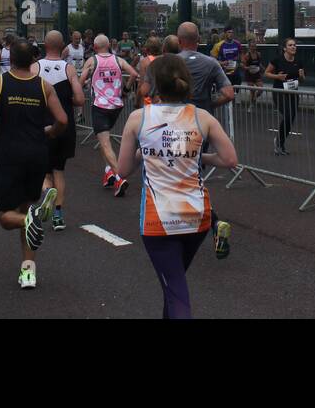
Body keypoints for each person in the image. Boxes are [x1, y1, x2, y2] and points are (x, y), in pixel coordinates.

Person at [116, 54, 238, 318]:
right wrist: (198, 156)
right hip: (196, 217)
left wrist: (145, 152)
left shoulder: (139, 118)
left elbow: (122, 170)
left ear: (154, 84)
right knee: (172, 284)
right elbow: (230, 159)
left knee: (175, 291)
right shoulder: (202, 116)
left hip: (158, 220)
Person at [0, 39, 66, 289]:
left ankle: (28, 219)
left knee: (7, 216)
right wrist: (49, 132)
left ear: (10, 58)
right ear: (32, 60)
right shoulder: (44, 86)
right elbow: (62, 119)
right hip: (37, 152)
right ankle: (28, 271)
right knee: (26, 207)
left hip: (9, 153)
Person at [81, 35, 139, 196]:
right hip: (116, 105)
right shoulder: (118, 60)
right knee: (103, 140)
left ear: (94, 46)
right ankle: (108, 172)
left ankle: (119, 178)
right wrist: (125, 91)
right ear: (108, 46)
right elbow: (134, 74)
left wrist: (82, 86)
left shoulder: (92, 61)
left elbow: (80, 81)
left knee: (105, 144)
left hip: (100, 106)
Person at [39, 31, 83, 231]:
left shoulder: (35, 67)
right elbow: (80, 99)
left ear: (44, 45)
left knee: (43, 171)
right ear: (62, 46)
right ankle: (58, 215)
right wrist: (67, 101)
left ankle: (47, 192)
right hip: (65, 125)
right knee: (59, 170)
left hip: (43, 125)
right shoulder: (69, 68)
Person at [177, 22, 235, 115]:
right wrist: (211, 105)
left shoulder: (169, 63)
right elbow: (229, 94)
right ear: (198, 39)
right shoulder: (211, 63)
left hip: (178, 118)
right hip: (203, 117)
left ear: (179, 41)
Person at [265, 38, 308, 156]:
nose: (293, 47)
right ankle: (279, 142)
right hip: (279, 92)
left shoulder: (299, 61)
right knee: (288, 115)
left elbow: (302, 80)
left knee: (291, 119)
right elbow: (267, 73)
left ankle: (280, 142)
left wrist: (302, 76)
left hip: (293, 93)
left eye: (294, 45)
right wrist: (277, 77)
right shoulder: (277, 60)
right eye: (290, 45)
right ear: (285, 48)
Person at [135, 37, 164, 107]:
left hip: (150, 102)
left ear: (147, 48)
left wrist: (137, 101)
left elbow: (141, 84)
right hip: (164, 100)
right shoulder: (166, 59)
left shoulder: (145, 62)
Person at [242, 35, 264, 106]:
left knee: (261, 90)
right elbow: (243, 65)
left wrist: (263, 69)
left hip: (257, 73)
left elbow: (259, 63)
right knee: (252, 90)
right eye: (252, 46)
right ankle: (251, 104)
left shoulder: (258, 54)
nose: (253, 48)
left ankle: (254, 98)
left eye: (254, 46)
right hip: (249, 74)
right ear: (249, 47)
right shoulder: (247, 55)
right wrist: (248, 68)